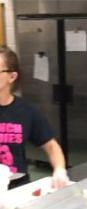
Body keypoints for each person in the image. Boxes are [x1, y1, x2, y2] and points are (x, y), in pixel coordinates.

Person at [0, 46, 68, 190]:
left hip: (17, 188)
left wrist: (60, 170)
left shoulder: (26, 111)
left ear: (12, 76)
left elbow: (51, 146)